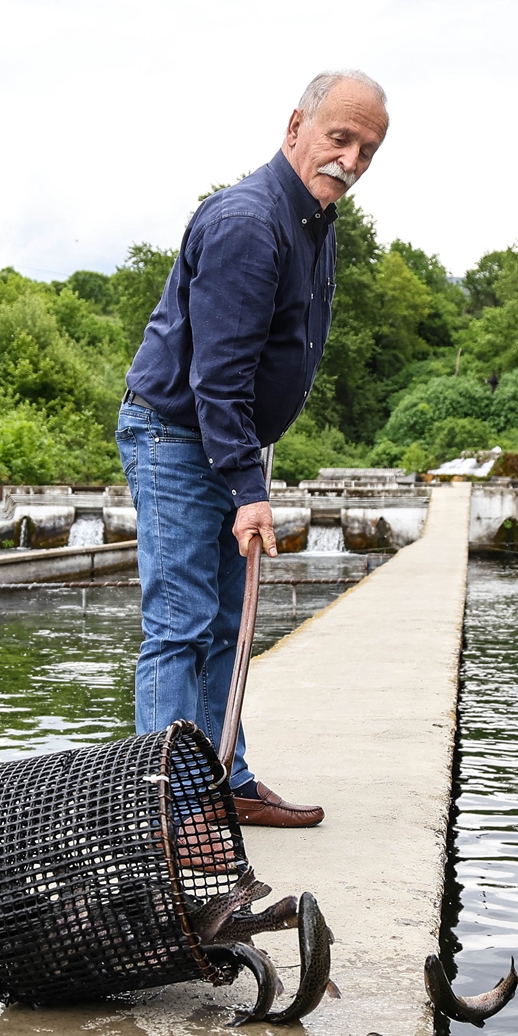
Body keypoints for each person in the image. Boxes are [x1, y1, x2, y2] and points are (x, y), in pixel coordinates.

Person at [116, 70, 389, 827]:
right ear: (295, 125)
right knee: (181, 626)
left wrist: (249, 464)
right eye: (340, 138)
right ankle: (167, 817)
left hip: (224, 440)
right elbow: (218, 375)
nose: (352, 159)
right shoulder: (248, 221)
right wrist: (248, 486)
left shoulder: (311, 220)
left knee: (229, 627)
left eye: (368, 148)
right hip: (177, 436)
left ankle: (222, 782)